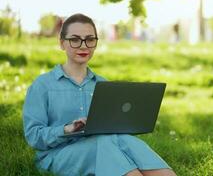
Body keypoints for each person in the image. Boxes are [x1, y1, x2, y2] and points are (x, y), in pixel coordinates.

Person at [23, 13, 176, 176]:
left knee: (125, 140)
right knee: (104, 143)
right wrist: (67, 129)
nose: (83, 46)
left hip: (105, 147)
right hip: (58, 155)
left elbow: (112, 128)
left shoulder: (103, 85)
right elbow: (34, 136)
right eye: (75, 39)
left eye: (90, 39)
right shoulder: (42, 85)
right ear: (62, 43)